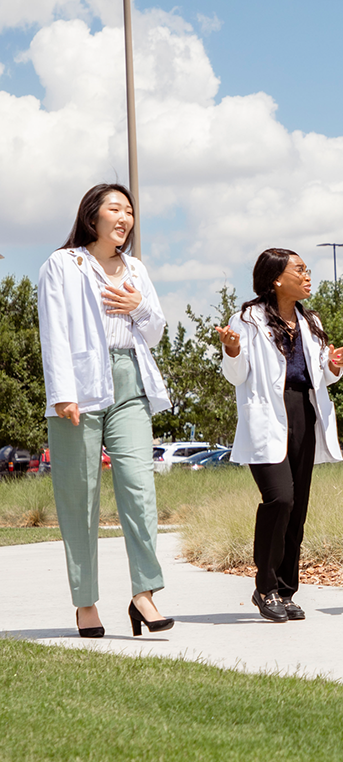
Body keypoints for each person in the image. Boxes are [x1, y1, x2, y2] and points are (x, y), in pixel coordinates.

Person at [38, 183, 174, 638]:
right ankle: (85, 603)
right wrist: (62, 392)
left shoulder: (135, 267)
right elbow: (53, 329)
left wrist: (138, 307)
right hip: (79, 385)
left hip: (129, 379)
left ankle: (144, 595)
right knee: (80, 496)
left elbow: (155, 332)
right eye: (115, 209)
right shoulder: (63, 264)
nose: (124, 218)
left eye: (130, 211)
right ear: (92, 215)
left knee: (139, 488)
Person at [216, 249, 343, 623]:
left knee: (298, 508)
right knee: (281, 499)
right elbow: (236, 374)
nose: (308, 275)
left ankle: (286, 591)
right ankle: (265, 586)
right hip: (266, 418)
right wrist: (233, 348)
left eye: (308, 270)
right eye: (300, 270)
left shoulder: (310, 322)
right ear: (276, 278)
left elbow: (321, 376)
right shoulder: (247, 319)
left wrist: (334, 365)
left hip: (303, 414)